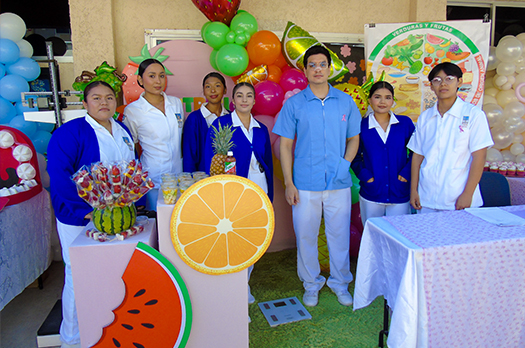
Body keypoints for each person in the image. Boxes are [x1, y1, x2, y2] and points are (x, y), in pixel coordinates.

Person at [47, 81, 135, 348]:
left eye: (109, 98)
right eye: (96, 98)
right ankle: (71, 339)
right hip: (79, 217)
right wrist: (86, 211)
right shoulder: (70, 132)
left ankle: (106, 329)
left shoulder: (122, 130)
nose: (104, 103)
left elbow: (130, 169)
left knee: (111, 272)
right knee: (77, 274)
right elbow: (59, 176)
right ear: (85, 104)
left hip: (115, 217)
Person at [273, 46, 361, 307]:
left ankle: (340, 282)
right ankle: (311, 284)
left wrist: (344, 166)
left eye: (322, 64)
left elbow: (354, 138)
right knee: (306, 236)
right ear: (305, 70)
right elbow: (285, 145)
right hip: (305, 183)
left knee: (339, 235)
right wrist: (289, 183)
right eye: (312, 65)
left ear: (329, 68)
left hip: (338, 182)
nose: (318, 69)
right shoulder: (294, 104)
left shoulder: (345, 102)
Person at [204, 82, 274, 304]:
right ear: (232, 100)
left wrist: (269, 193)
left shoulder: (261, 128)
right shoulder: (221, 124)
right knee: (234, 237)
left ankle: (244, 284)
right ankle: (233, 285)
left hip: (259, 186)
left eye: (249, 96)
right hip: (234, 191)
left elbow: (268, 161)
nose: (244, 100)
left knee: (252, 237)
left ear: (254, 101)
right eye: (240, 95)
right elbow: (210, 159)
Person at [408, 62, 494, 213]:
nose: (443, 84)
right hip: (426, 197)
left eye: (449, 79)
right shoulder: (425, 117)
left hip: (458, 198)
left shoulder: (473, 115)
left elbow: (479, 157)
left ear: (459, 81)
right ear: (431, 85)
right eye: (437, 80)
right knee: (426, 237)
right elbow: (417, 156)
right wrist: (414, 190)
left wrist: (468, 194)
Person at [123, 58, 184, 210]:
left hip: (179, 178)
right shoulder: (133, 111)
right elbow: (131, 149)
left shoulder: (176, 103)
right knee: (157, 225)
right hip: (153, 179)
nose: (158, 81)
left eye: (162, 75)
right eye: (152, 76)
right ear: (140, 80)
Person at [351, 81, 415, 224]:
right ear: (370, 100)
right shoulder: (361, 126)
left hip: (399, 191)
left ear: (393, 101)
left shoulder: (404, 124)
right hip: (372, 191)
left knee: (400, 235)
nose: (382, 101)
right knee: (373, 235)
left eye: (387, 97)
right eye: (377, 96)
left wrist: (406, 174)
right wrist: (366, 176)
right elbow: (353, 155)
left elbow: (416, 152)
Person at [183, 72, 229, 172]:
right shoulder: (194, 119)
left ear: (225, 90)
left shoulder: (231, 118)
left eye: (217, 86)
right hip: (202, 179)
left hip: (228, 177)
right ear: (203, 91)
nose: (213, 90)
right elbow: (189, 156)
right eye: (208, 87)